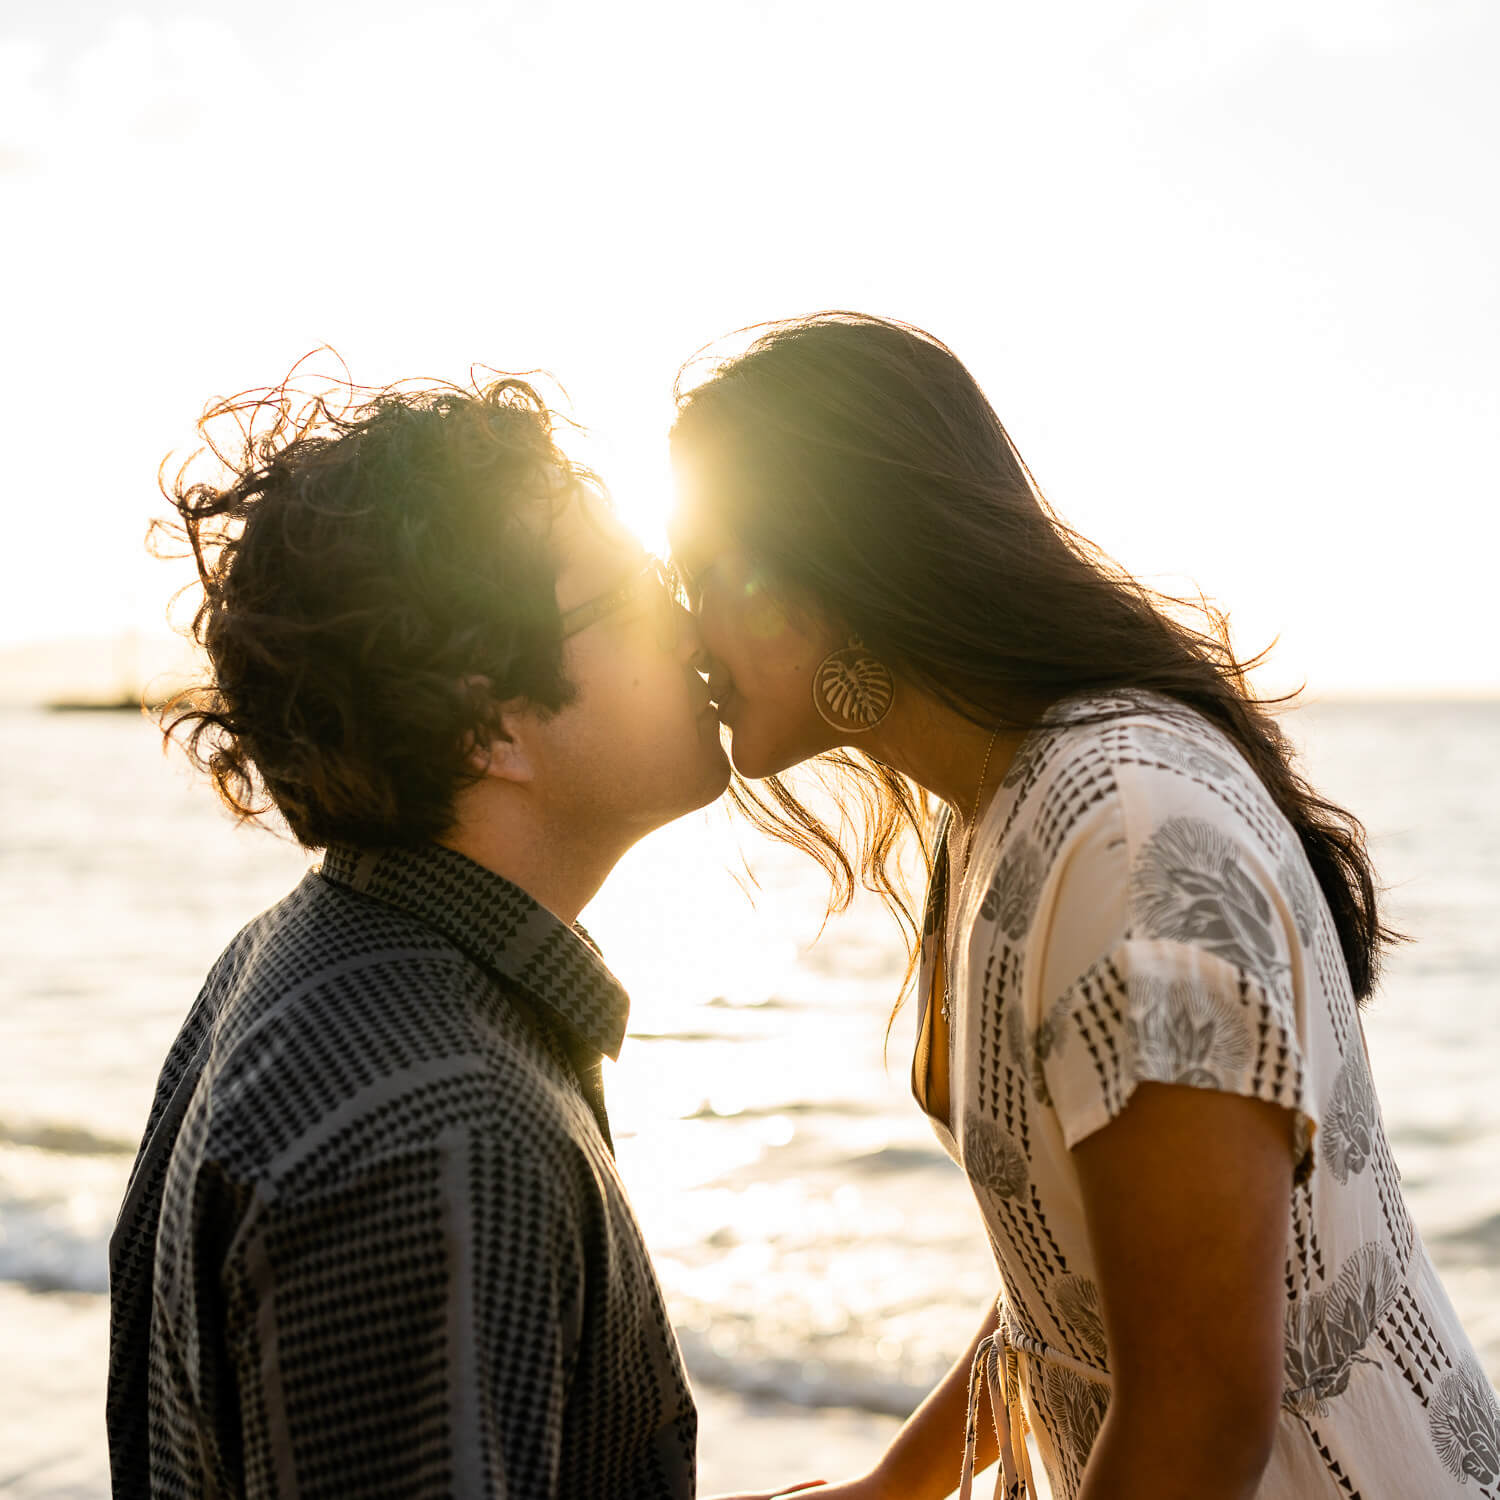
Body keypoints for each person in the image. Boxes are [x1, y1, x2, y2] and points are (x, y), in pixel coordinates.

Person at [671, 313, 1500, 1500]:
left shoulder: (1125, 832)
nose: (683, 626)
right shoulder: (1001, 807)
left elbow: (1203, 1412)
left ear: (830, 567)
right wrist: (892, 1488)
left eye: (706, 572)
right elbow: (1082, 1285)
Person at [107, 371, 729, 1497]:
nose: (692, 624)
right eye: (636, 593)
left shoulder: (295, 962)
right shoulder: (448, 1128)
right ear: (490, 721)